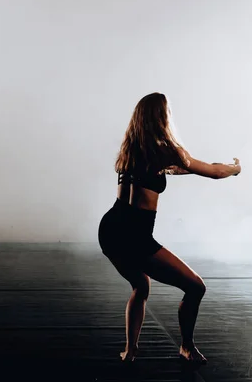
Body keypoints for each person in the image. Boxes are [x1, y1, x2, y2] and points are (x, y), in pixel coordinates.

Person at [97, 92, 240, 365]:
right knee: (196, 287)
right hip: (134, 236)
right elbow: (213, 172)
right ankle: (186, 347)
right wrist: (235, 168)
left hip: (109, 230)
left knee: (140, 285)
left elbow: (173, 169)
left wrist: (194, 166)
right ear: (162, 117)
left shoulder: (130, 151)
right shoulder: (167, 150)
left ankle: (131, 351)